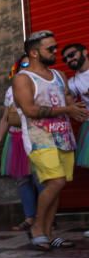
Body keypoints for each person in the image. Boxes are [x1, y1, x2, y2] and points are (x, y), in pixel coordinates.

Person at [11, 32, 88, 250]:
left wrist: (76, 110)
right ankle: (36, 227)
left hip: (63, 137)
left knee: (56, 186)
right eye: (50, 49)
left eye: (55, 47)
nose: (55, 52)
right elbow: (30, 110)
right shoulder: (23, 78)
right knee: (56, 182)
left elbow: (68, 99)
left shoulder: (59, 75)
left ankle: (49, 233)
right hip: (39, 139)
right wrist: (67, 109)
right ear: (34, 53)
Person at [0, 56, 38, 233]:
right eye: (23, 64)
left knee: (41, 178)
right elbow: (5, 118)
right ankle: (30, 217)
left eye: (29, 64)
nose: (26, 66)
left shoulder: (40, 83)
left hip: (36, 136)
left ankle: (45, 218)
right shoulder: (10, 91)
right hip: (15, 138)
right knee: (22, 180)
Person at [61, 42, 89, 172]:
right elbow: (65, 100)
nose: (69, 60)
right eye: (66, 59)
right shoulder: (73, 83)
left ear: (84, 52)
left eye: (72, 55)